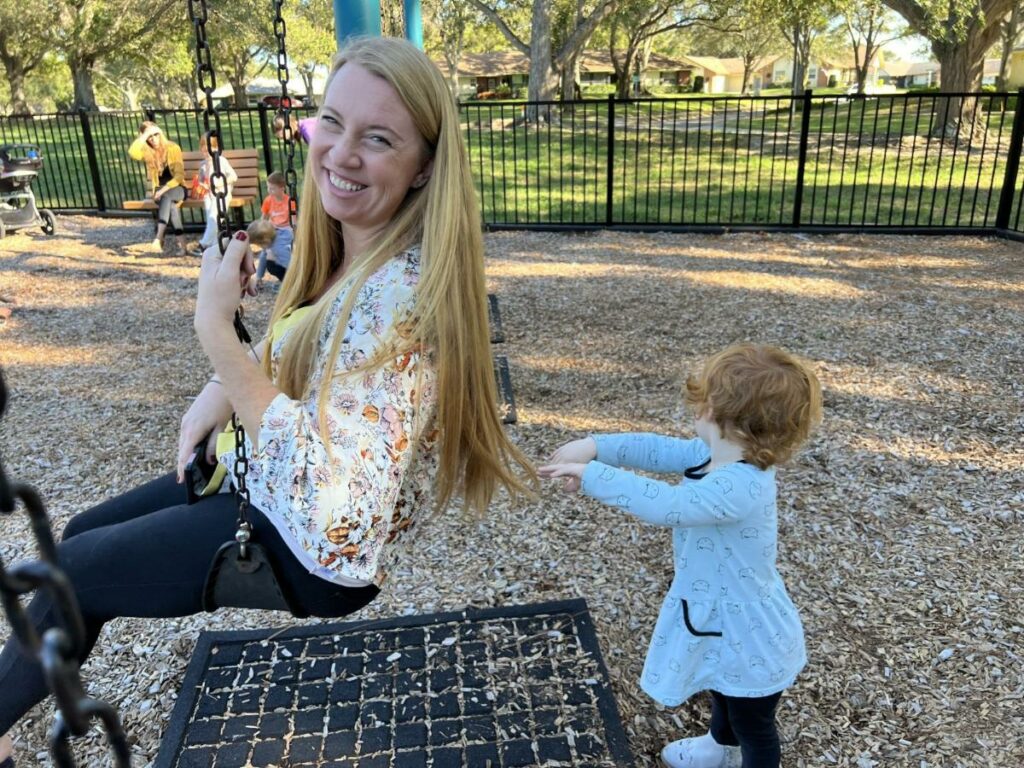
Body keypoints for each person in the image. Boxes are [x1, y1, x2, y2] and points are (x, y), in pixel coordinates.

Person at [0, 36, 535, 766]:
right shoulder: (351, 244)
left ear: (424, 167)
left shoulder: (400, 301)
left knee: (78, 571)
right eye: (334, 124)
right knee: (82, 538)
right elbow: (299, 344)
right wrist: (218, 391)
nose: (342, 154)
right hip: (268, 484)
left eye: (378, 139)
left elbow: (336, 507)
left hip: (307, 549)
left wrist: (214, 331)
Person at [539, 344, 822, 768]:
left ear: (721, 415)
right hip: (725, 618)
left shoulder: (739, 485)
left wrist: (593, 475)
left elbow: (667, 505)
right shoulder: (717, 456)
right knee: (724, 690)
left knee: (753, 725)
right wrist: (594, 445)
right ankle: (715, 748)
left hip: (751, 634)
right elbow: (655, 449)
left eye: (704, 402)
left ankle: (735, 754)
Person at [128, 121, 186, 255]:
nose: (153, 139)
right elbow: (132, 153)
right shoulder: (147, 152)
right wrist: (143, 136)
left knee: (167, 196)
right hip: (160, 193)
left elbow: (179, 176)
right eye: (150, 136)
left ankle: (158, 238)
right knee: (171, 207)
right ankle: (182, 245)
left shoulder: (173, 148)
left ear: (161, 133)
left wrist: (163, 190)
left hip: (177, 189)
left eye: (156, 134)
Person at [190, 132, 238, 257]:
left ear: (216, 148)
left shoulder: (221, 161)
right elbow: (201, 180)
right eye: (204, 150)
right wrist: (200, 184)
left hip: (222, 193)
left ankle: (203, 244)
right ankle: (212, 246)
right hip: (209, 195)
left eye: (209, 150)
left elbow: (233, 176)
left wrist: (218, 183)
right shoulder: (203, 165)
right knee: (212, 220)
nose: (207, 153)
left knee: (214, 217)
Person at [254, 171, 293, 284]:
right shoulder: (268, 200)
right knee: (264, 252)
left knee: (280, 251)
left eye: (272, 188)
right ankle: (258, 278)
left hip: (286, 230)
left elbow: (295, 220)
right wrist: (261, 230)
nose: (269, 191)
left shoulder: (289, 201)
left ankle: (289, 275)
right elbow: (264, 218)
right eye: (268, 188)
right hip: (273, 230)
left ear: (282, 188)